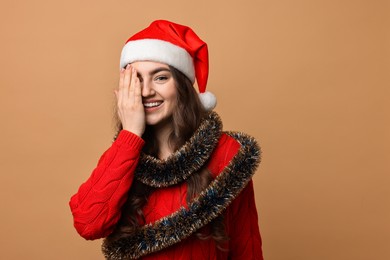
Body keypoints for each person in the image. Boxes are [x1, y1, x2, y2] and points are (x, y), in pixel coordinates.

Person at [69, 20, 264, 260]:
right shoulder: (124, 154)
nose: (146, 91)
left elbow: (247, 247)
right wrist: (130, 134)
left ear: (182, 86)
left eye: (160, 78)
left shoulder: (226, 152)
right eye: (137, 79)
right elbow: (88, 224)